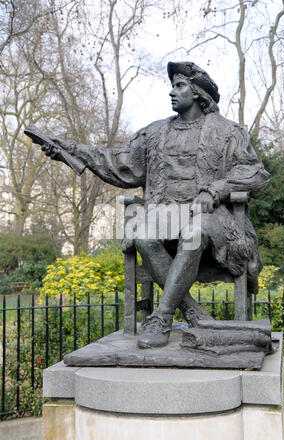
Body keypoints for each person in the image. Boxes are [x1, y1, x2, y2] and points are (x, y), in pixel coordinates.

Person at [40, 61, 270, 349]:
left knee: (194, 232)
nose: (172, 92)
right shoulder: (154, 133)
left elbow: (256, 174)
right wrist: (70, 151)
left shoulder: (228, 132)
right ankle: (191, 311)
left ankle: (162, 316)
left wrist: (216, 189)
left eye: (180, 85)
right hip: (165, 214)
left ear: (198, 93)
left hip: (211, 216)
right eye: (172, 85)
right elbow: (119, 163)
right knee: (143, 235)